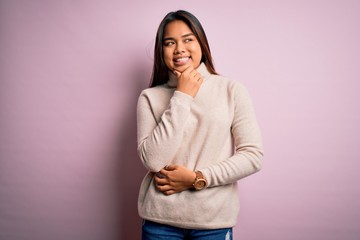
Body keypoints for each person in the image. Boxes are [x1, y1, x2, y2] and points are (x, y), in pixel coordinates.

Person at [136, 10, 264, 240]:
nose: (179, 49)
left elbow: (253, 156)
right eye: (169, 42)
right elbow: (153, 160)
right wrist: (182, 96)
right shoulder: (149, 97)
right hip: (159, 222)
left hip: (213, 221)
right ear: (161, 50)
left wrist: (197, 178)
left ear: (201, 44)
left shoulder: (231, 90)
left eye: (188, 39)